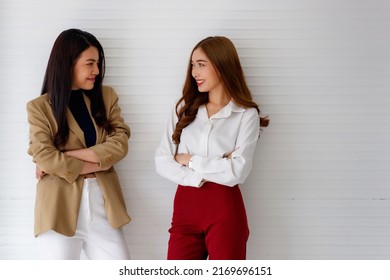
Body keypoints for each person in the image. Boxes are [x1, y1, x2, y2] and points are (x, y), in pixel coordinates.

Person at [155, 36, 269, 260]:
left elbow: (238, 171)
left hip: (225, 209)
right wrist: (213, 169)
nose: (194, 72)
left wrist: (189, 160)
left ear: (222, 64)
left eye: (201, 65)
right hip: (185, 208)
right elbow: (162, 161)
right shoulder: (183, 108)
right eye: (192, 65)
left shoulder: (246, 115)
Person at [26, 28, 131, 260]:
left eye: (98, 63)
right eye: (90, 63)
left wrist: (67, 155)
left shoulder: (107, 97)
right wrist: (100, 163)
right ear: (67, 64)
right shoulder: (39, 107)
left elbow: (120, 144)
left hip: (104, 205)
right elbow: (45, 156)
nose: (97, 70)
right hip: (58, 209)